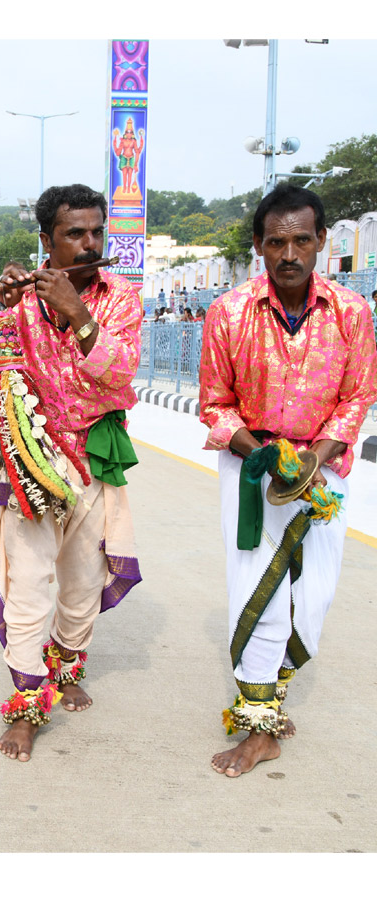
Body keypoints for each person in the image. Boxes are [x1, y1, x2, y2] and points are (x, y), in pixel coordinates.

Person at [199, 184, 377, 778]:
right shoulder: (228, 311)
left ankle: (271, 696)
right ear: (259, 247)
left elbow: (358, 397)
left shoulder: (352, 312)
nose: (290, 253)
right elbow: (215, 405)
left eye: (303, 239)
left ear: (324, 241)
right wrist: (268, 454)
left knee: (315, 597)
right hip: (252, 470)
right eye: (276, 241)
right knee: (258, 591)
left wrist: (314, 458)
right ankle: (258, 725)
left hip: (323, 470)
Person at [0, 183, 144, 763]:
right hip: (28, 465)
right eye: (75, 234)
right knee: (28, 587)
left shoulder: (121, 296)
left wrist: (77, 311)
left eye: (97, 232)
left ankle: (67, 666)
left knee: (82, 587)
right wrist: (0, 308)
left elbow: (122, 377)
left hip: (94, 461)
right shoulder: (18, 298)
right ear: (48, 240)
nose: (90, 244)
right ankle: (25, 704)